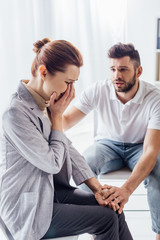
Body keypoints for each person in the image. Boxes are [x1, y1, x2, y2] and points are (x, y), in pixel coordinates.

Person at [0, 38, 133, 240]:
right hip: (28, 206)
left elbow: (67, 149)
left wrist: (99, 189)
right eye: (68, 82)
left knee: (113, 209)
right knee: (105, 219)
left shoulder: (44, 103)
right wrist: (58, 117)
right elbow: (51, 163)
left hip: (50, 193)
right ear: (43, 73)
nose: (70, 92)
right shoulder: (15, 113)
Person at [63, 43, 160, 240]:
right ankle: (97, 227)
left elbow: (150, 151)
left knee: (158, 169)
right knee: (85, 161)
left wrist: (126, 190)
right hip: (107, 145)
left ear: (138, 71)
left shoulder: (154, 98)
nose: (117, 75)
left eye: (123, 69)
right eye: (113, 69)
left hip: (139, 146)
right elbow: (65, 121)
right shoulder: (98, 90)